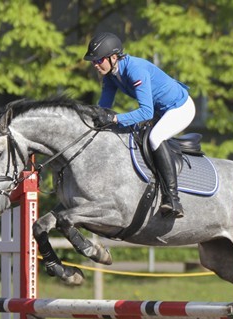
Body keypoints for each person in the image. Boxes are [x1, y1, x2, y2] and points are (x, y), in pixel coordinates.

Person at [84, 32, 196, 218]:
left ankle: (173, 199)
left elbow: (146, 112)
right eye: (93, 61)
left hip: (180, 108)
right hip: (161, 111)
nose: (95, 65)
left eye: (99, 60)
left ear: (113, 57)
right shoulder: (111, 75)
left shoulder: (135, 70)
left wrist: (114, 119)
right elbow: (103, 107)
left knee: (155, 138)